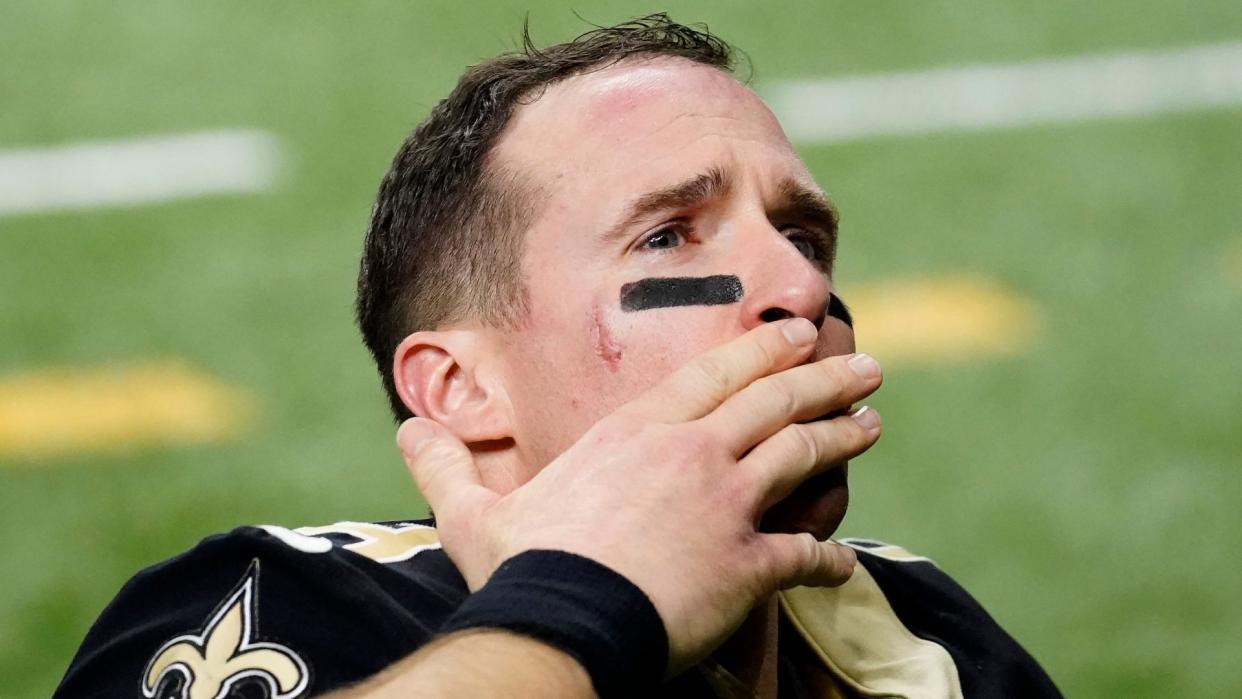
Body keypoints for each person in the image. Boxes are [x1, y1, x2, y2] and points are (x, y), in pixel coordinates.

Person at [56, 15, 1061, 699]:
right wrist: (581, 600)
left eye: (803, 238)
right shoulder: (274, 609)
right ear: (460, 388)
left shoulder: (921, 632)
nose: (801, 293)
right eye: (668, 237)